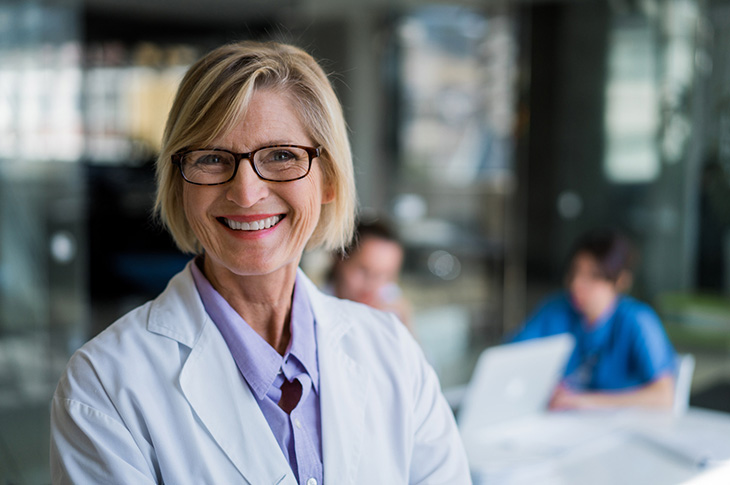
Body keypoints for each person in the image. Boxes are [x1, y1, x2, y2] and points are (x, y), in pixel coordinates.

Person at [50, 41, 470, 484]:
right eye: (212, 158)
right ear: (179, 184)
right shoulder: (103, 386)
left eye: (282, 155)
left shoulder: (394, 352)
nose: (246, 193)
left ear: (327, 179)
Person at [509, 228, 677, 410]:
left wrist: (583, 401)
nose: (576, 284)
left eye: (592, 276)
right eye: (574, 272)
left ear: (620, 281)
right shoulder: (556, 310)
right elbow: (510, 359)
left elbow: (664, 396)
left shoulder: (638, 320)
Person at [329, 218, 412, 331]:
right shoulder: (312, 304)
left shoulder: (392, 304)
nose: (372, 284)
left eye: (385, 275)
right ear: (339, 259)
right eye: (364, 270)